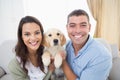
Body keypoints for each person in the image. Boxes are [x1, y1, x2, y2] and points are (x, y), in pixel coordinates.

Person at [62, 9, 112, 80]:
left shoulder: (102, 56)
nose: (77, 31)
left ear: (89, 27)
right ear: (67, 28)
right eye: (72, 26)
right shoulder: (66, 45)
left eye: (83, 25)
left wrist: (63, 63)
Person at [8, 16, 55, 80]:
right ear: (21, 37)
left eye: (37, 33)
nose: (33, 38)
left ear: (42, 34)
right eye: (27, 34)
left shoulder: (47, 53)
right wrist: (50, 70)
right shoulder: (14, 65)